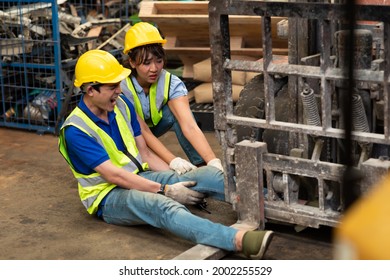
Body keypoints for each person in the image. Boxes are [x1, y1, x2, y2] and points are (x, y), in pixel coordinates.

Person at [58, 49, 274, 259]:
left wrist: (178, 175)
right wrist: (166, 190)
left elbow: (145, 153)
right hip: (108, 196)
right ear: (90, 89)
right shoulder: (76, 130)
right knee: (163, 206)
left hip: (139, 176)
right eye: (112, 86)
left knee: (206, 175)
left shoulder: (121, 106)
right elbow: (115, 176)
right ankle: (238, 240)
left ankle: (275, 202)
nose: (119, 90)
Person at [120, 22, 224, 172]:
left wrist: (213, 161)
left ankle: (203, 167)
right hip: (132, 133)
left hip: (152, 128)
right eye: (147, 63)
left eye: (159, 61)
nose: (154, 68)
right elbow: (142, 130)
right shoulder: (122, 87)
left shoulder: (171, 82)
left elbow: (189, 125)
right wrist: (172, 160)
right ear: (132, 62)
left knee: (179, 114)